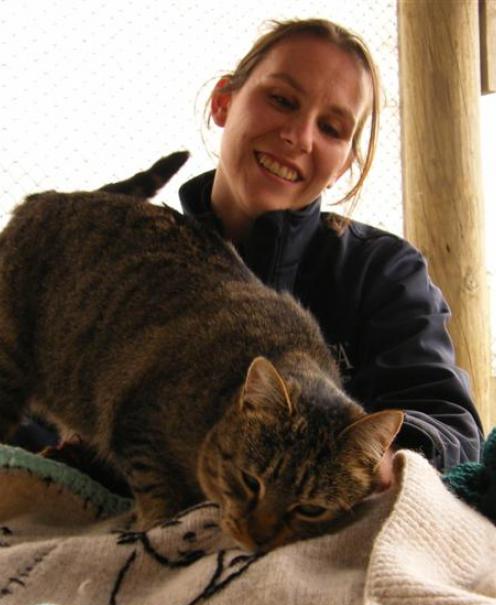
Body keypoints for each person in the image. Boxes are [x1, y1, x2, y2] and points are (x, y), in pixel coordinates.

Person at [177, 17, 483, 471]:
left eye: (332, 128)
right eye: (282, 100)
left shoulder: (383, 272)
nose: (298, 137)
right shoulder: (141, 261)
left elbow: (448, 425)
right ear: (224, 101)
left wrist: (387, 461)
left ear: (343, 165)